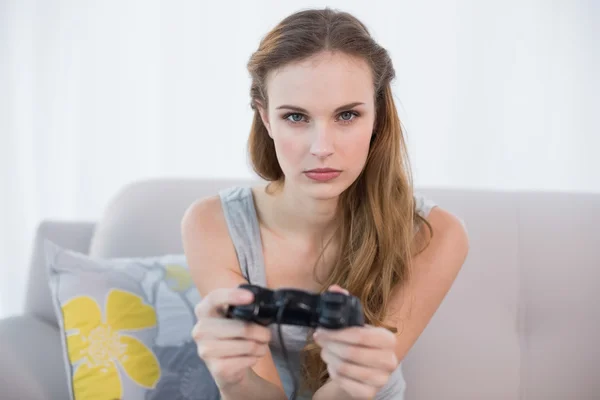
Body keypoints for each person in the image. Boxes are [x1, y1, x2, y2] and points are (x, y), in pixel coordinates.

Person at [182, 7, 469, 400]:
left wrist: (356, 381)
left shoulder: (435, 235)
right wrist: (233, 380)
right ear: (266, 119)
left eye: (347, 115)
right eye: (296, 117)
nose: (322, 149)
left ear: (378, 118)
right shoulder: (211, 224)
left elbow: (349, 392)